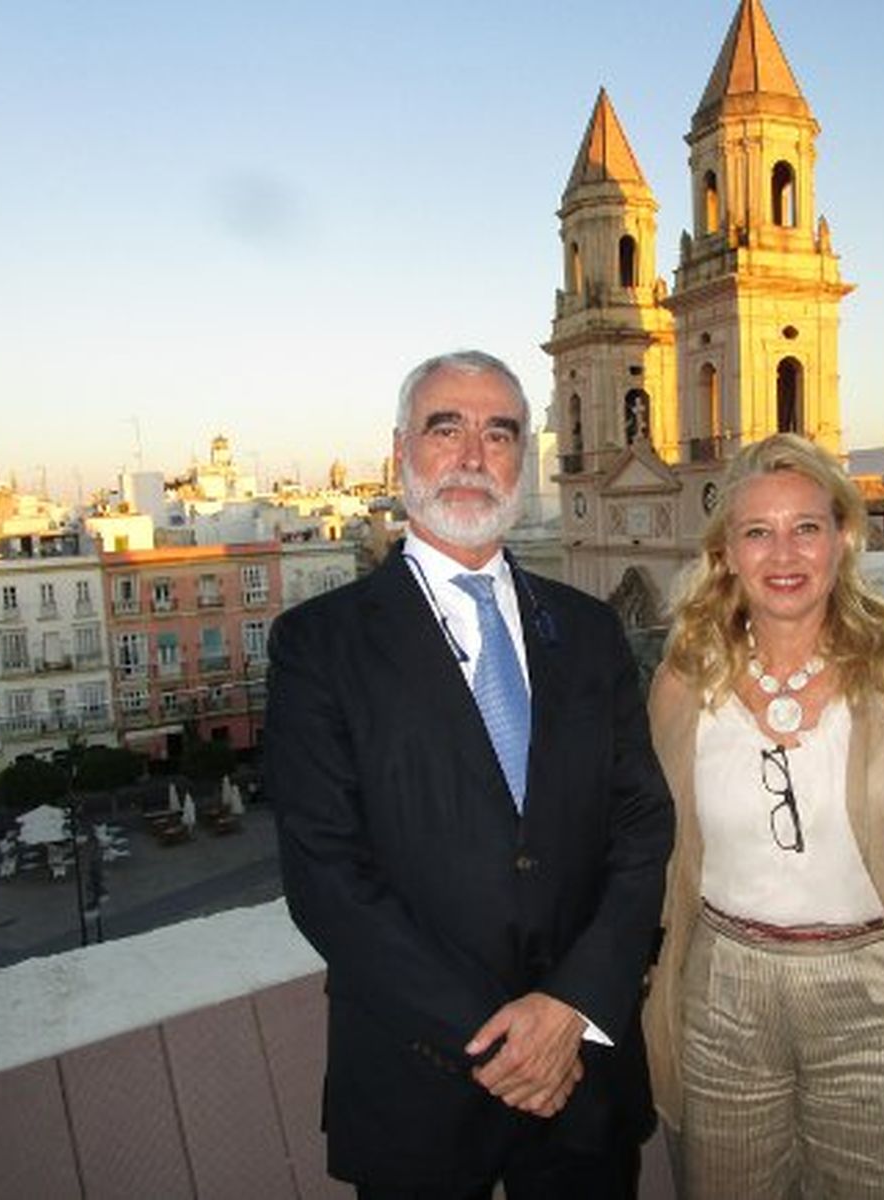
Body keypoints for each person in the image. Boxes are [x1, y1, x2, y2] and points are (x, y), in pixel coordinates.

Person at [267, 350, 674, 1199]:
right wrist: (500, 1042)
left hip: (582, 1076)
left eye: (499, 432)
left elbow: (640, 829)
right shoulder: (319, 645)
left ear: (522, 459)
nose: (471, 454)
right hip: (420, 1080)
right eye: (444, 427)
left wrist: (573, 1006)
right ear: (399, 452)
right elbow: (327, 878)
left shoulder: (589, 631)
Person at [641, 434, 884, 1198]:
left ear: (843, 538)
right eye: (757, 531)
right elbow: (654, 846)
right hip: (724, 991)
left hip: (873, 988)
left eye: (807, 527)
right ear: (725, 551)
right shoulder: (685, 676)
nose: (783, 553)